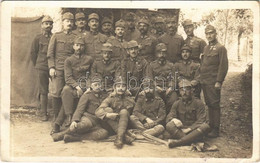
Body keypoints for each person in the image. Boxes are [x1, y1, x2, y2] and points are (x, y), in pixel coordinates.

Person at [51, 37, 93, 134]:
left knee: (74, 96)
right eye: (77, 45)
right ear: (73, 47)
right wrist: (77, 87)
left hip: (86, 87)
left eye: (81, 45)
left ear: (84, 47)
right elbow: (68, 78)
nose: (79, 48)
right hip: (73, 86)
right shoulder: (68, 60)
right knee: (66, 90)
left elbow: (91, 75)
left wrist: (88, 87)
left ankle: (57, 124)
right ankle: (69, 116)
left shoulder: (89, 59)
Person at [51, 74, 109, 143]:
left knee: (104, 133)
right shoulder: (87, 95)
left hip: (98, 121)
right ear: (91, 86)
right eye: (95, 85)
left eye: (99, 85)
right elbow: (79, 109)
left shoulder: (105, 95)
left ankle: (74, 138)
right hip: (88, 118)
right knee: (84, 125)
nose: (97, 87)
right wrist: (74, 121)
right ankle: (60, 135)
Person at [200, 25, 228, 138]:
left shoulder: (221, 48)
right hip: (205, 81)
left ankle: (216, 129)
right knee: (209, 104)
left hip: (213, 81)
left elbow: (223, 66)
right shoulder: (206, 48)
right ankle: (210, 126)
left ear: (215, 33)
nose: (209, 35)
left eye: (211, 33)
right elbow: (203, 64)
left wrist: (219, 81)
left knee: (215, 104)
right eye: (207, 34)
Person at [47, 12, 76, 122]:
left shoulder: (75, 37)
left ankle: (67, 118)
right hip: (58, 69)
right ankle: (56, 118)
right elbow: (50, 53)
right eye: (67, 21)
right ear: (63, 23)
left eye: (71, 21)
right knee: (56, 93)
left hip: (71, 70)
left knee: (68, 93)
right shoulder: (56, 36)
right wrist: (51, 67)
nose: (69, 23)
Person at [166, 80, 210, 148]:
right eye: (182, 90)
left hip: (194, 131)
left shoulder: (198, 103)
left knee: (205, 126)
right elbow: (169, 117)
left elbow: (201, 120)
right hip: (181, 131)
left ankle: (178, 142)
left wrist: (190, 129)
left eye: (187, 89)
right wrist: (174, 119)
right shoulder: (177, 103)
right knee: (169, 125)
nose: (184, 92)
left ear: (191, 91)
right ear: (179, 92)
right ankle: (192, 142)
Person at [95, 76, 135, 149]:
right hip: (111, 127)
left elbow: (135, 113)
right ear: (115, 88)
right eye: (118, 86)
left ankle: (119, 138)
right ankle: (124, 136)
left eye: (123, 86)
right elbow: (98, 111)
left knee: (124, 111)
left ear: (126, 88)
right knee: (107, 110)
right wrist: (107, 114)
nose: (120, 88)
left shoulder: (130, 100)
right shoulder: (110, 99)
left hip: (125, 125)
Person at [31, 15, 53, 121]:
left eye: (50, 24)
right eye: (46, 23)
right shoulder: (38, 38)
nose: (48, 26)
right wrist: (38, 64)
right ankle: (43, 113)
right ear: (42, 25)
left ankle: (41, 108)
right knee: (43, 89)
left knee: (55, 89)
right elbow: (33, 53)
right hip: (42, 66)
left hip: (52, 67)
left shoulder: (54, 37)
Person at [148, 43, 178, 114]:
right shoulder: (151, 65)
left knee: (173, 100)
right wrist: (156, 87)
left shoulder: (171, 65)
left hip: (168, 89)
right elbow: (150, 78)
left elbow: (173, 78)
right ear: (156, 54)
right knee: (156, 100)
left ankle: (170, 117)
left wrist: (170, 88)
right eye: (159, 53)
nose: (161, 55)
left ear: (166, 54)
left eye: (163, 53)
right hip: (157, 89)